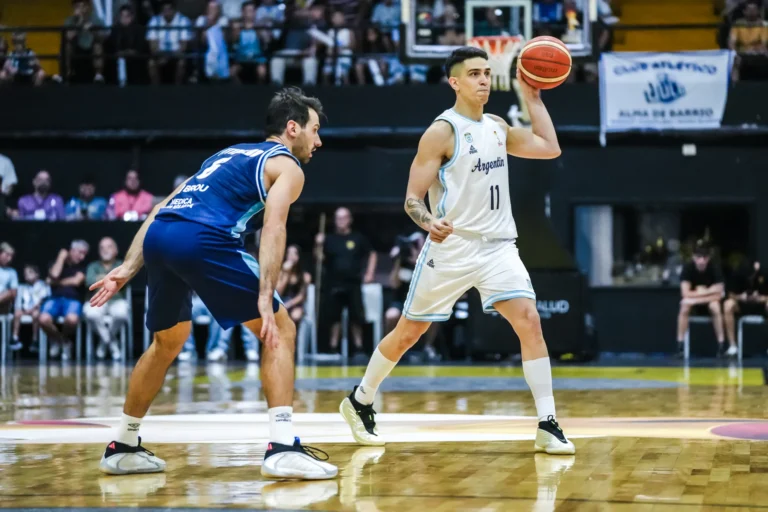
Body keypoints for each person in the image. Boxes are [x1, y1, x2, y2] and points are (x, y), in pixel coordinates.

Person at [89, 88, 337, 480]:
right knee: (281, 327)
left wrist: (127, 266)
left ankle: (122, 445)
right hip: (204, 240)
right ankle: (282, 447)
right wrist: (264, 293)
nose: (318, 141)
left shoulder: (226, 154)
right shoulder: (288, 166)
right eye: (315, 130)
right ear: (293, 129)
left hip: (160, 237)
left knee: (167, 342)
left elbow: (160, 208)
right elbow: (274, 227)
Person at [339, 46, 575, 455]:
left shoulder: (498, 126)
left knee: (530, 321)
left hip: (499, 247)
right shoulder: (442, 132)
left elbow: (548, 146)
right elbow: (412, 199)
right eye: (475, 74)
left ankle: (547, 422)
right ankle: (360, 399)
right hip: (452, 247)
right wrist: (429, 222)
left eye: (487, 73)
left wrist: (533, 97)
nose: (484, 80)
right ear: (455, 82)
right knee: (410, 332)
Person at [315, 207, 377, 356]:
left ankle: (359, 348)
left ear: (349, 220)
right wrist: (318, 244)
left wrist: (369, 273)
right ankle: (333, 348)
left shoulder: (358, 238)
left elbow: (372, 254)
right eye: (338, 218)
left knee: (356, 317)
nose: (340, 221)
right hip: (334, 283)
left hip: (353, 283)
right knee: (334, 317)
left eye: (343, 218)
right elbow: (319, 259)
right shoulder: (328, 239)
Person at [39, 240, 89, 360]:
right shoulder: (56, 263)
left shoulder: (83, 267)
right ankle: (62, 342)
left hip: (73, 299)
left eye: (84, 254)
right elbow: (55, 274)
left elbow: (76, 282)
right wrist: (61, 257)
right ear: (71, 251)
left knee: (71, 320)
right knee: (43, 319)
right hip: (54, 299)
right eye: (79, 253)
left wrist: (55, 283)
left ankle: (62, 341)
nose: (82, 257)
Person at [677, 244, 729, 358]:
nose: (701, 261)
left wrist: (699, 295)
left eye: (704, 258)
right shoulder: (688, 268)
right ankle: (680, 346)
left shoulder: (715, 268)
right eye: (698, 257)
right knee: (684, 307)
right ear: (694, 257)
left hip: (706, 301)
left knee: (715, 307)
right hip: (695, 301)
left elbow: (720, 294)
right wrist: (709, 290)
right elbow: (685, 293)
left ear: (708, 258)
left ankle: (721, 345)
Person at [178, 292, 261, 362]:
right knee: (183, 309)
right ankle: (188, 349)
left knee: (222, 308)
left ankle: (215, 349)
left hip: (223, 299)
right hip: (199, 298)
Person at [83, 237, 130, 361]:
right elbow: (90, 282)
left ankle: (104, 343)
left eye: (109, 246)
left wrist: (102, 279)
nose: (105, 250)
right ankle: (112, 343)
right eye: (102, 247)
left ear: (115, 250)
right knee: (91, 313)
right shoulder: (92, 266)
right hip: (98, 299)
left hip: (117, 300)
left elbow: (123, 281)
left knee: (121, 314)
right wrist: (111, 279)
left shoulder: (122, 265)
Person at [723, 260, 768, 352]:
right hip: (742, 305)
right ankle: (732, 346)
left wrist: (760, 298)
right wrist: (740, 297)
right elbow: (730, 294)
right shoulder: (737, 275)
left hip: (761, 305)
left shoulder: (764, 273)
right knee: (728, 305)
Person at [11, 264, 49, 351]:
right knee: (17, 313)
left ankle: (35, 340)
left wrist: (31, 309)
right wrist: (22, 310)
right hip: (25, 309)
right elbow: (19, 302)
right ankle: (15, 338)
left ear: (37, 274)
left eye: (30, 273)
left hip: (36, 310)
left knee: (36, 314)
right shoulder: (22, 287)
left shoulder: (43, 285)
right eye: (25, 274)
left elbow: (41, 300)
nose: (27, 275)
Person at [276, 244, 312, 324]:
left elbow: (301, 296)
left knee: (296, 315)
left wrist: (289, 304)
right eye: (289, 253)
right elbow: (278, 293)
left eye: (294, 253)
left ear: (299, 256)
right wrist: (286, 274)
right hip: (280, 301)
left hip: (294, 303)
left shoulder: (305, 276)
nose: (291, 256)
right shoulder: (281, 272)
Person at [0, 242, 18, 316]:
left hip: (3, 305)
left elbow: (13, 293)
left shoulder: (12, 272)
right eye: (7, 255)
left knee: (9, 293)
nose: (9, 259)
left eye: (11, 256)